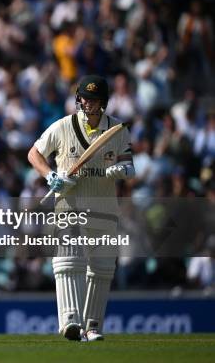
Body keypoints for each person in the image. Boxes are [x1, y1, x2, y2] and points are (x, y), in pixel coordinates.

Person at [27, 75, 134, 341]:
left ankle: (93, 326)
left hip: (104, 207)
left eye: (94, 99)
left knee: (102, 267)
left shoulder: (117, 130)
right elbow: (34, 154)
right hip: (69, 206)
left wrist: (121, 170)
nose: (88, 103)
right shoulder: (63, 126)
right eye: (85, 98)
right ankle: (70, 322)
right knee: (68, 261)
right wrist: (50, 176)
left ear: (104, 102)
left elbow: (129, 164)